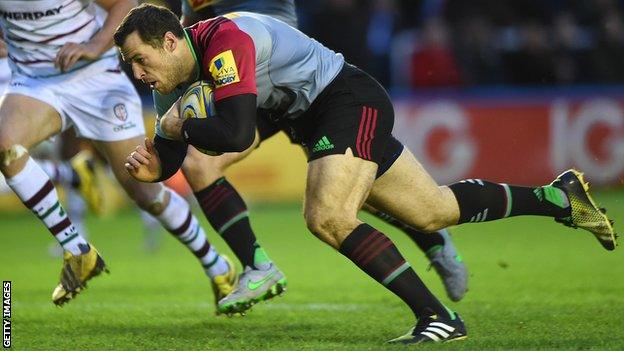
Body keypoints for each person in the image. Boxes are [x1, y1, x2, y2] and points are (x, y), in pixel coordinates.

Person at [114, 5, 617, 343]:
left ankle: (438, 318)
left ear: (172, 42)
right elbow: (172, 155)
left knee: (327, 215)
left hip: (346, 99)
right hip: (316, 116)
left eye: (140, 59)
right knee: (432, 210)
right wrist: (152, 165)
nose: (138, 74)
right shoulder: (169, 80)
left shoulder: (225, 40)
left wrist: (181, 125)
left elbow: (234, 131)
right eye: (129, 64)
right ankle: (559, 199)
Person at [167, 0, 468, 307]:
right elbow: (187, 28)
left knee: (347, 192)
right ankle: (258, 266)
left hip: (284, 79)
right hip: (240, 87)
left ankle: (432, 237)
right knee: (199, 163)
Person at [0, 0, 239, 309]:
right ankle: (77, 250)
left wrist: (95, 45)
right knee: (6, 144)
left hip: (95, 79)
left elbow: (123, 3)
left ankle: (217, 265)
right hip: (35, 82)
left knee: (145, 190)